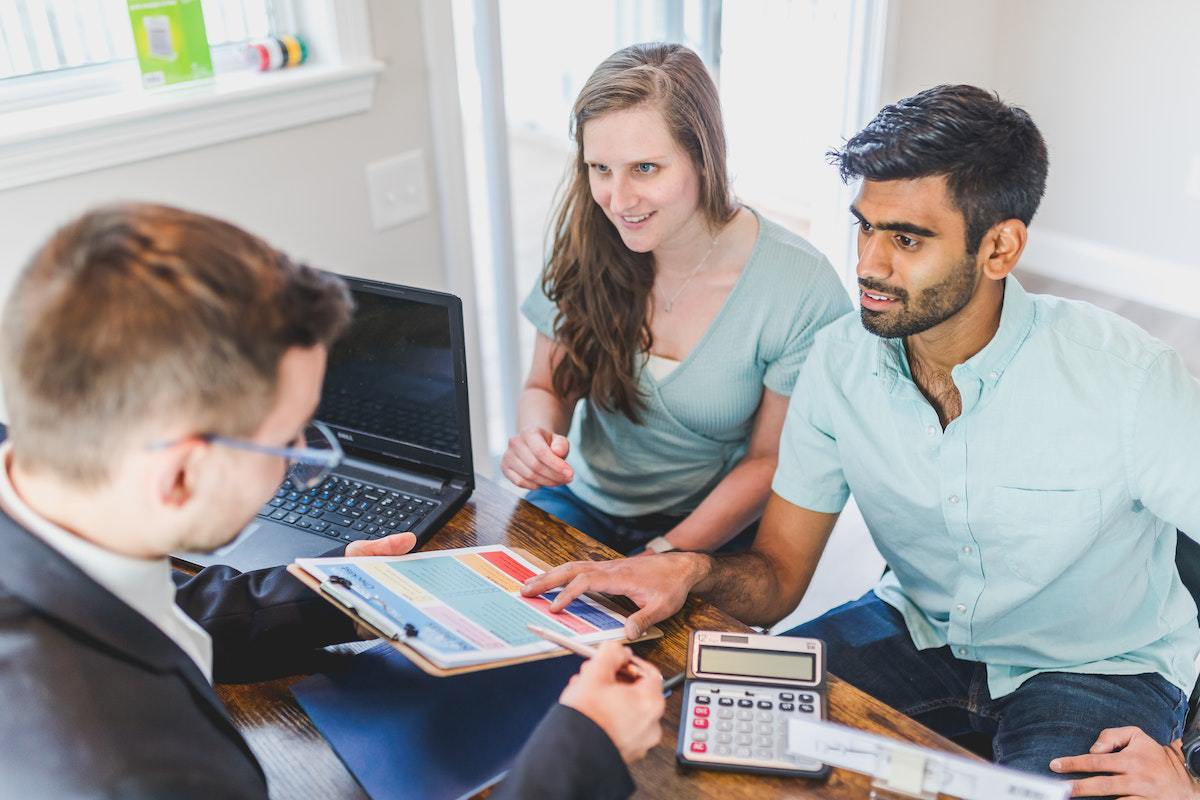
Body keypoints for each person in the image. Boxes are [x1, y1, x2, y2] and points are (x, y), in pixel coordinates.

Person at [522, 85, 1200, 782]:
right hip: (913, 629)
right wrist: (689, 567)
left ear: (999, 248)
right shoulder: (839, 363)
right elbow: (780, 577)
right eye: (865, 227)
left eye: (906, 238)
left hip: (1097, 668)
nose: (869, 264)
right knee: (692, 736)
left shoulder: (1128, 378)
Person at [0, 203, 662, 799]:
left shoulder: (62, 495)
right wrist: (582, 752)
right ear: (178, 477)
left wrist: (341, 591)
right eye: (288, 443)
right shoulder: (132, 771)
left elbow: (168, 606)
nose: (302, 461)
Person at [502, 42, 850, 555]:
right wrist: (537, 443)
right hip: (577, 499)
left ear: (704, 157)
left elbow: (768, 460)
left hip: (708, 524)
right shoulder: (585, 239)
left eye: (645, 168)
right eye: (601, 169)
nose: (617, 202)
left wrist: (663, 555)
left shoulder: (800, 287)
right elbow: (545, 387)